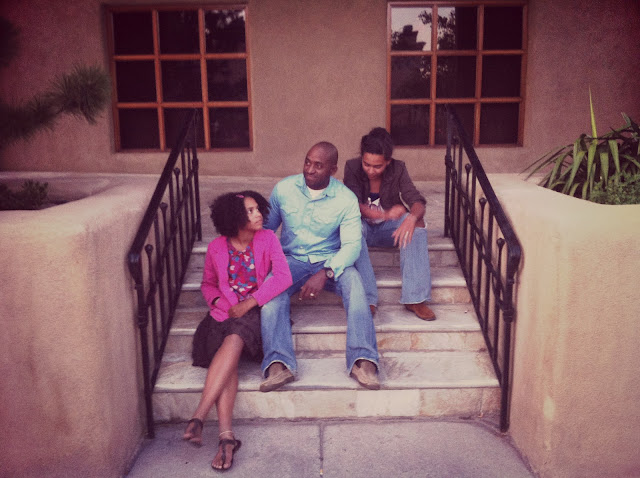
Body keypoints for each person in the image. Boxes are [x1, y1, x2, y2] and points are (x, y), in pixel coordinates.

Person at [182, 191, 292, 471]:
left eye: (258, 209)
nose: (258, 214)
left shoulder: (268, 238)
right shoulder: (216, 247)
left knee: (234, 338)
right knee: (227, 359)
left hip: (253, 314)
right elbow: (208, 284)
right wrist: (221, 303)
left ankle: (199, 415)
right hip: (222, 314)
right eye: (250, 211)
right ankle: (226, 438)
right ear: (234, 218)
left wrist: (249, 303)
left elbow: (283, 277)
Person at [259, 141, 380, 391]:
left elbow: (351, 246)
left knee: (355, 284)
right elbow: (266, 230)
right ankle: (278, 364)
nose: (309, 169)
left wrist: (326, 272)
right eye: (307, 162)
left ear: (332, 170)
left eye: (318, 165)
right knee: (270, 291)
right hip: (292, 260)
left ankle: (364, 360)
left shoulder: (345, 198)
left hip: (330, 260)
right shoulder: (284, 189)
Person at [343, 127, 435, 321]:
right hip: (363, 227)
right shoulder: (352, 167)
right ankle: (367, 298)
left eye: (377, 166)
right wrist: (385, 215)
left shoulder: (398, 168)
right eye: (366, 164)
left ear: (388, 162)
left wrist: (411, 218)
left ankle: (415, 298)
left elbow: (416, 200)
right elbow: (351, 204)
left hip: (388, 231)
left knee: (417, 224)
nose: (371, 170)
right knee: (352, 228)